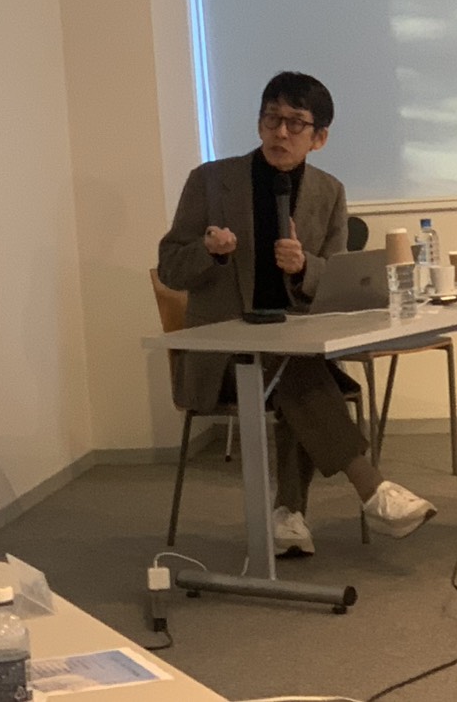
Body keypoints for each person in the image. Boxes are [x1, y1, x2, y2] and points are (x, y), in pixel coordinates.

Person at [157, 72, 435, 555]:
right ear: (259, 123)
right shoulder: (211, 181)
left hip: (296, 350)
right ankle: (371, 489)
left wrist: (305, 267)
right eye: (271, 119)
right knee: (294, 368)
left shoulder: (329, 192)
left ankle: (288, 515)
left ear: (319, 137)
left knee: (293, 365)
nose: (280, 132)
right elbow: (170, 268)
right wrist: (209, 251)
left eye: (295, 123)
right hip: (222, 355)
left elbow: (338, 286)